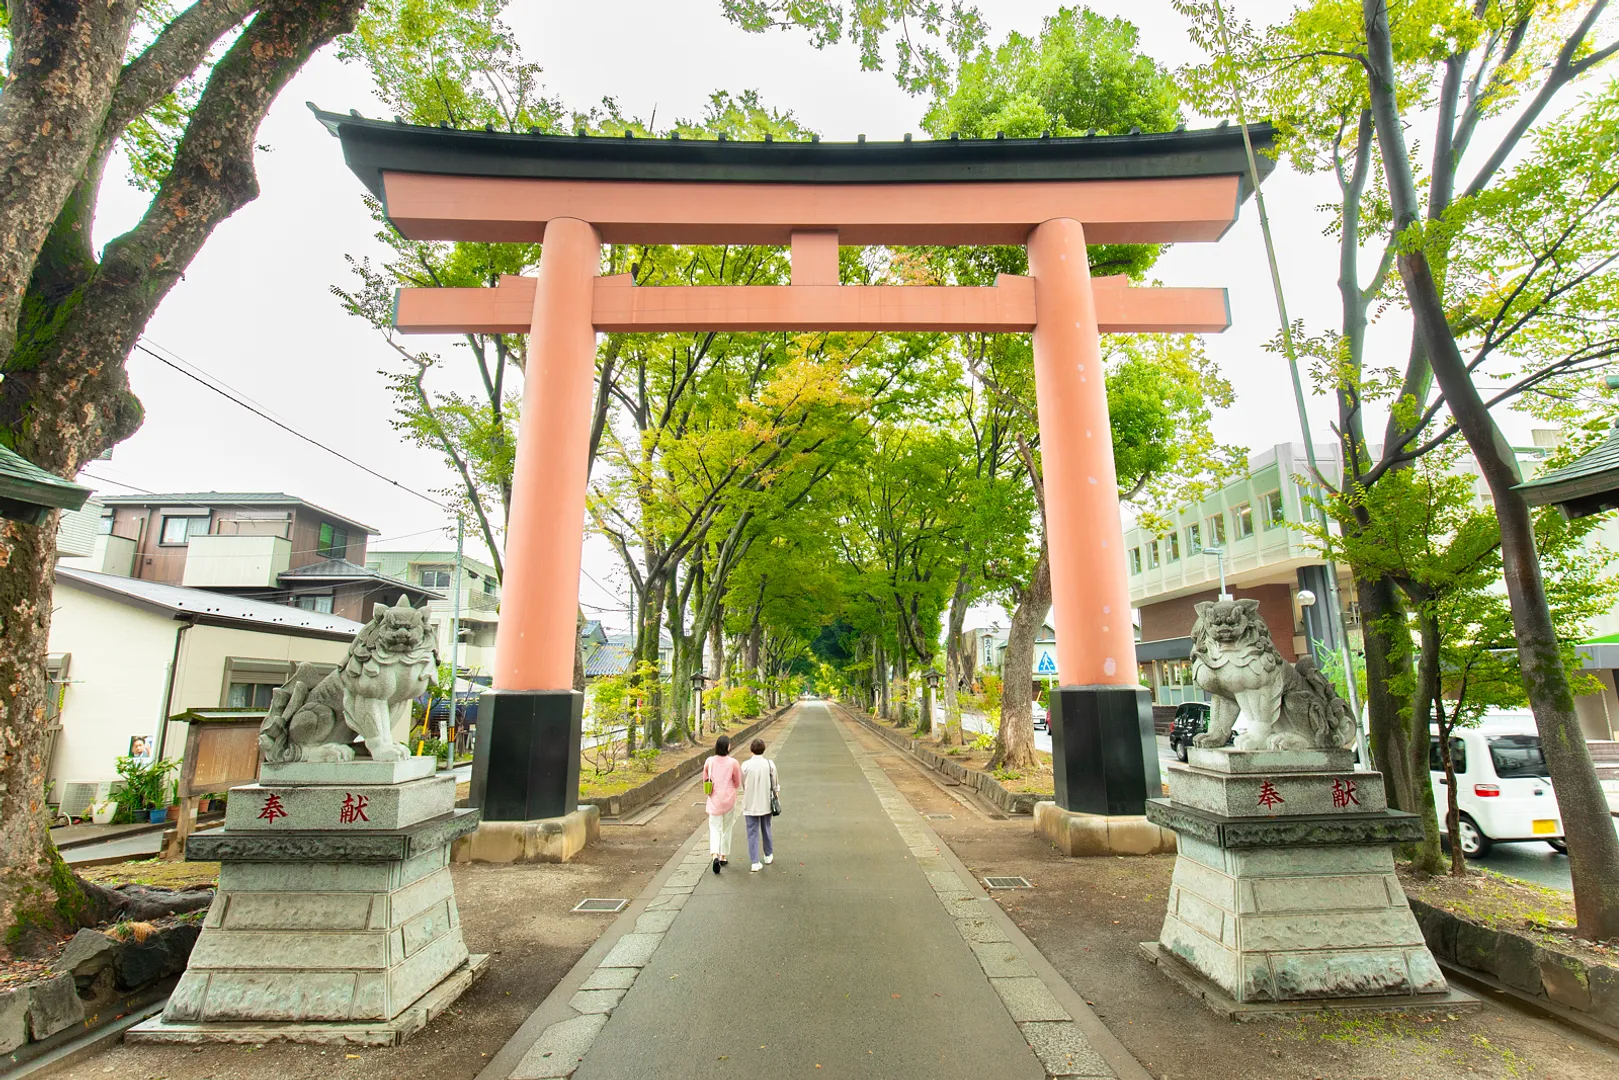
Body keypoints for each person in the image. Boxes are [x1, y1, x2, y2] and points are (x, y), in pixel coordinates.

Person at [702, 735, 742, 874]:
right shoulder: (733, 763)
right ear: (728, 747)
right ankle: (723, 856)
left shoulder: (709, 761)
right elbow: (737, 781)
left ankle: (714, 855)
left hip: (714, 800)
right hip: (729, 800)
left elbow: (705, 779)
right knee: (726, 828)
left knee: (714, 828)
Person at [739, 738, 778, 872]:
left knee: (752, 832)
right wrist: (776, 795)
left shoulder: (745, 765)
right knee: (766, 828)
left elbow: (743, 783)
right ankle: (768, 854)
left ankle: (755, 861)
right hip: (766, 802)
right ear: (764, 749)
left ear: (751, 750)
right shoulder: (769, 764)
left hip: (750, 803)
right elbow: (775, 784)